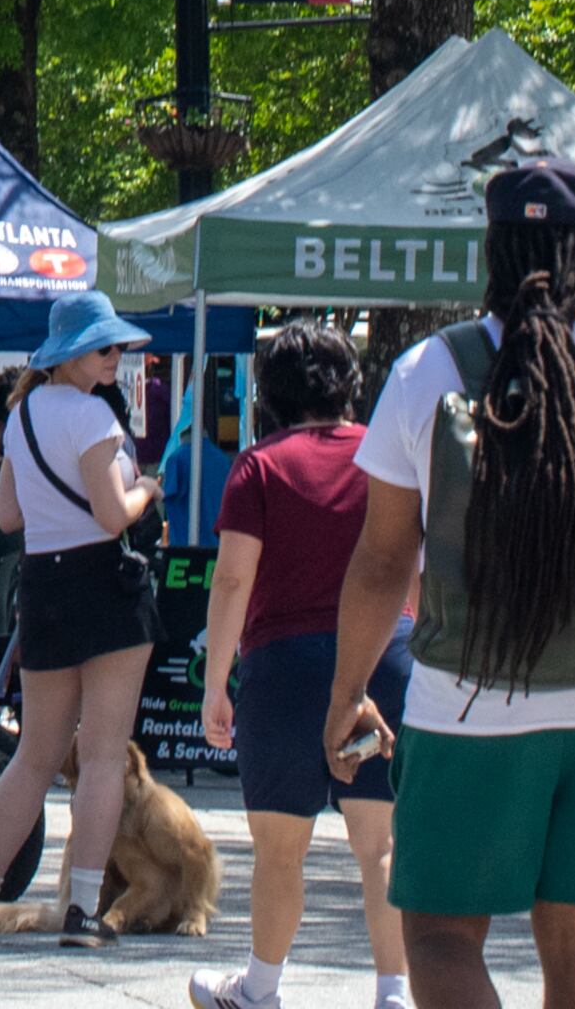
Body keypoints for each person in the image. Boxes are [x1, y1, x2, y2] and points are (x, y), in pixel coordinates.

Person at [326, 161, 575, 1009]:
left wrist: (348, 691)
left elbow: (381, 562)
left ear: (494, 251)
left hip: (460, 707)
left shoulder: (426, 374)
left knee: (439, 937)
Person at [192, 322, 411, 1009]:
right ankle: (393, 992)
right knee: (380, 845)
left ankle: (260, 989)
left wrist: (215, 685)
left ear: (272, 392)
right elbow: (415, 566)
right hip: (382, 661)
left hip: (284, 668)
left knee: (280, 848)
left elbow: (233, 579)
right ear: (349, 384)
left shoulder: (259, 466)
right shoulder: (386, 458)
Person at [0, 290, 166, 950]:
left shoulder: (22, 417)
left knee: (34, 756)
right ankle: (81, 911)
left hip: (42, 584)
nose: (115, 356)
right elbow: (111, 514)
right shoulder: (96, 418)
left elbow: (8, 516)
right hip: (105, 583)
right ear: (72, 354)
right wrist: (145, 489)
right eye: (104, 347)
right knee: (101, 757)